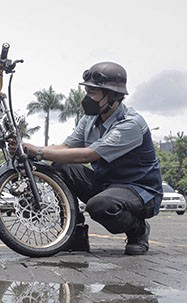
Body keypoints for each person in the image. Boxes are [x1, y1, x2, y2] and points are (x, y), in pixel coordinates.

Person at [19, 62, 163, 255]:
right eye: (87, 92)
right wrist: (27, 149)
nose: (87, 98)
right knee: (61, 165)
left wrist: (37, 151)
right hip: (106, 184)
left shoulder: (130, 124)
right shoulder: (89, 119)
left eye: (93, 93)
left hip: (139, 190)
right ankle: (75, 234)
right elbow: (66, 148)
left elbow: (88, 155)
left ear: (112, 95)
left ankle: (138, 230)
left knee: (101, 206)